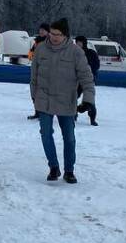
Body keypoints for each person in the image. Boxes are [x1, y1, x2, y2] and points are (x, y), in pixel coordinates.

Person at [30, 18, 95, 183]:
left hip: (66, 101)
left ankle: (69, 170)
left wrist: (88, 99)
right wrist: (34, 95)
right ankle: (53, 167)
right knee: (45, 134)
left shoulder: (76, 52)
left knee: (69, 138)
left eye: (57, 34)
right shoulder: (41, 49)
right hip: (44, 99)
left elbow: (87, 78)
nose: (53, 37)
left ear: (65, 35)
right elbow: (34, 75)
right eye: (51, 33)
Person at [74, 36, 100, 126]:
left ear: (84, 43)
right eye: (77, 42)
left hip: (88, 79)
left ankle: (92, 119)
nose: (78, 44)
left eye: (80, 42)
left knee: (89, 101)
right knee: (72, 97)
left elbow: (96, 65)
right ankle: (73, 114)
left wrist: (89, 74)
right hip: (75, 80)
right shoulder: (73, 53)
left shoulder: (91, 53)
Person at [26, 23, 50, 120]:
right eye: (40, 29)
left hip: (46, 70)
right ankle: (37, 112)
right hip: (35, 68)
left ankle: (44, 113)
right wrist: (31, 56)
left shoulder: (50, 42)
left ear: (48, 31)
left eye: (43, 30)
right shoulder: (37, 41)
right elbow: (30, 53)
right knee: (34, 90)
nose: (41, 31)